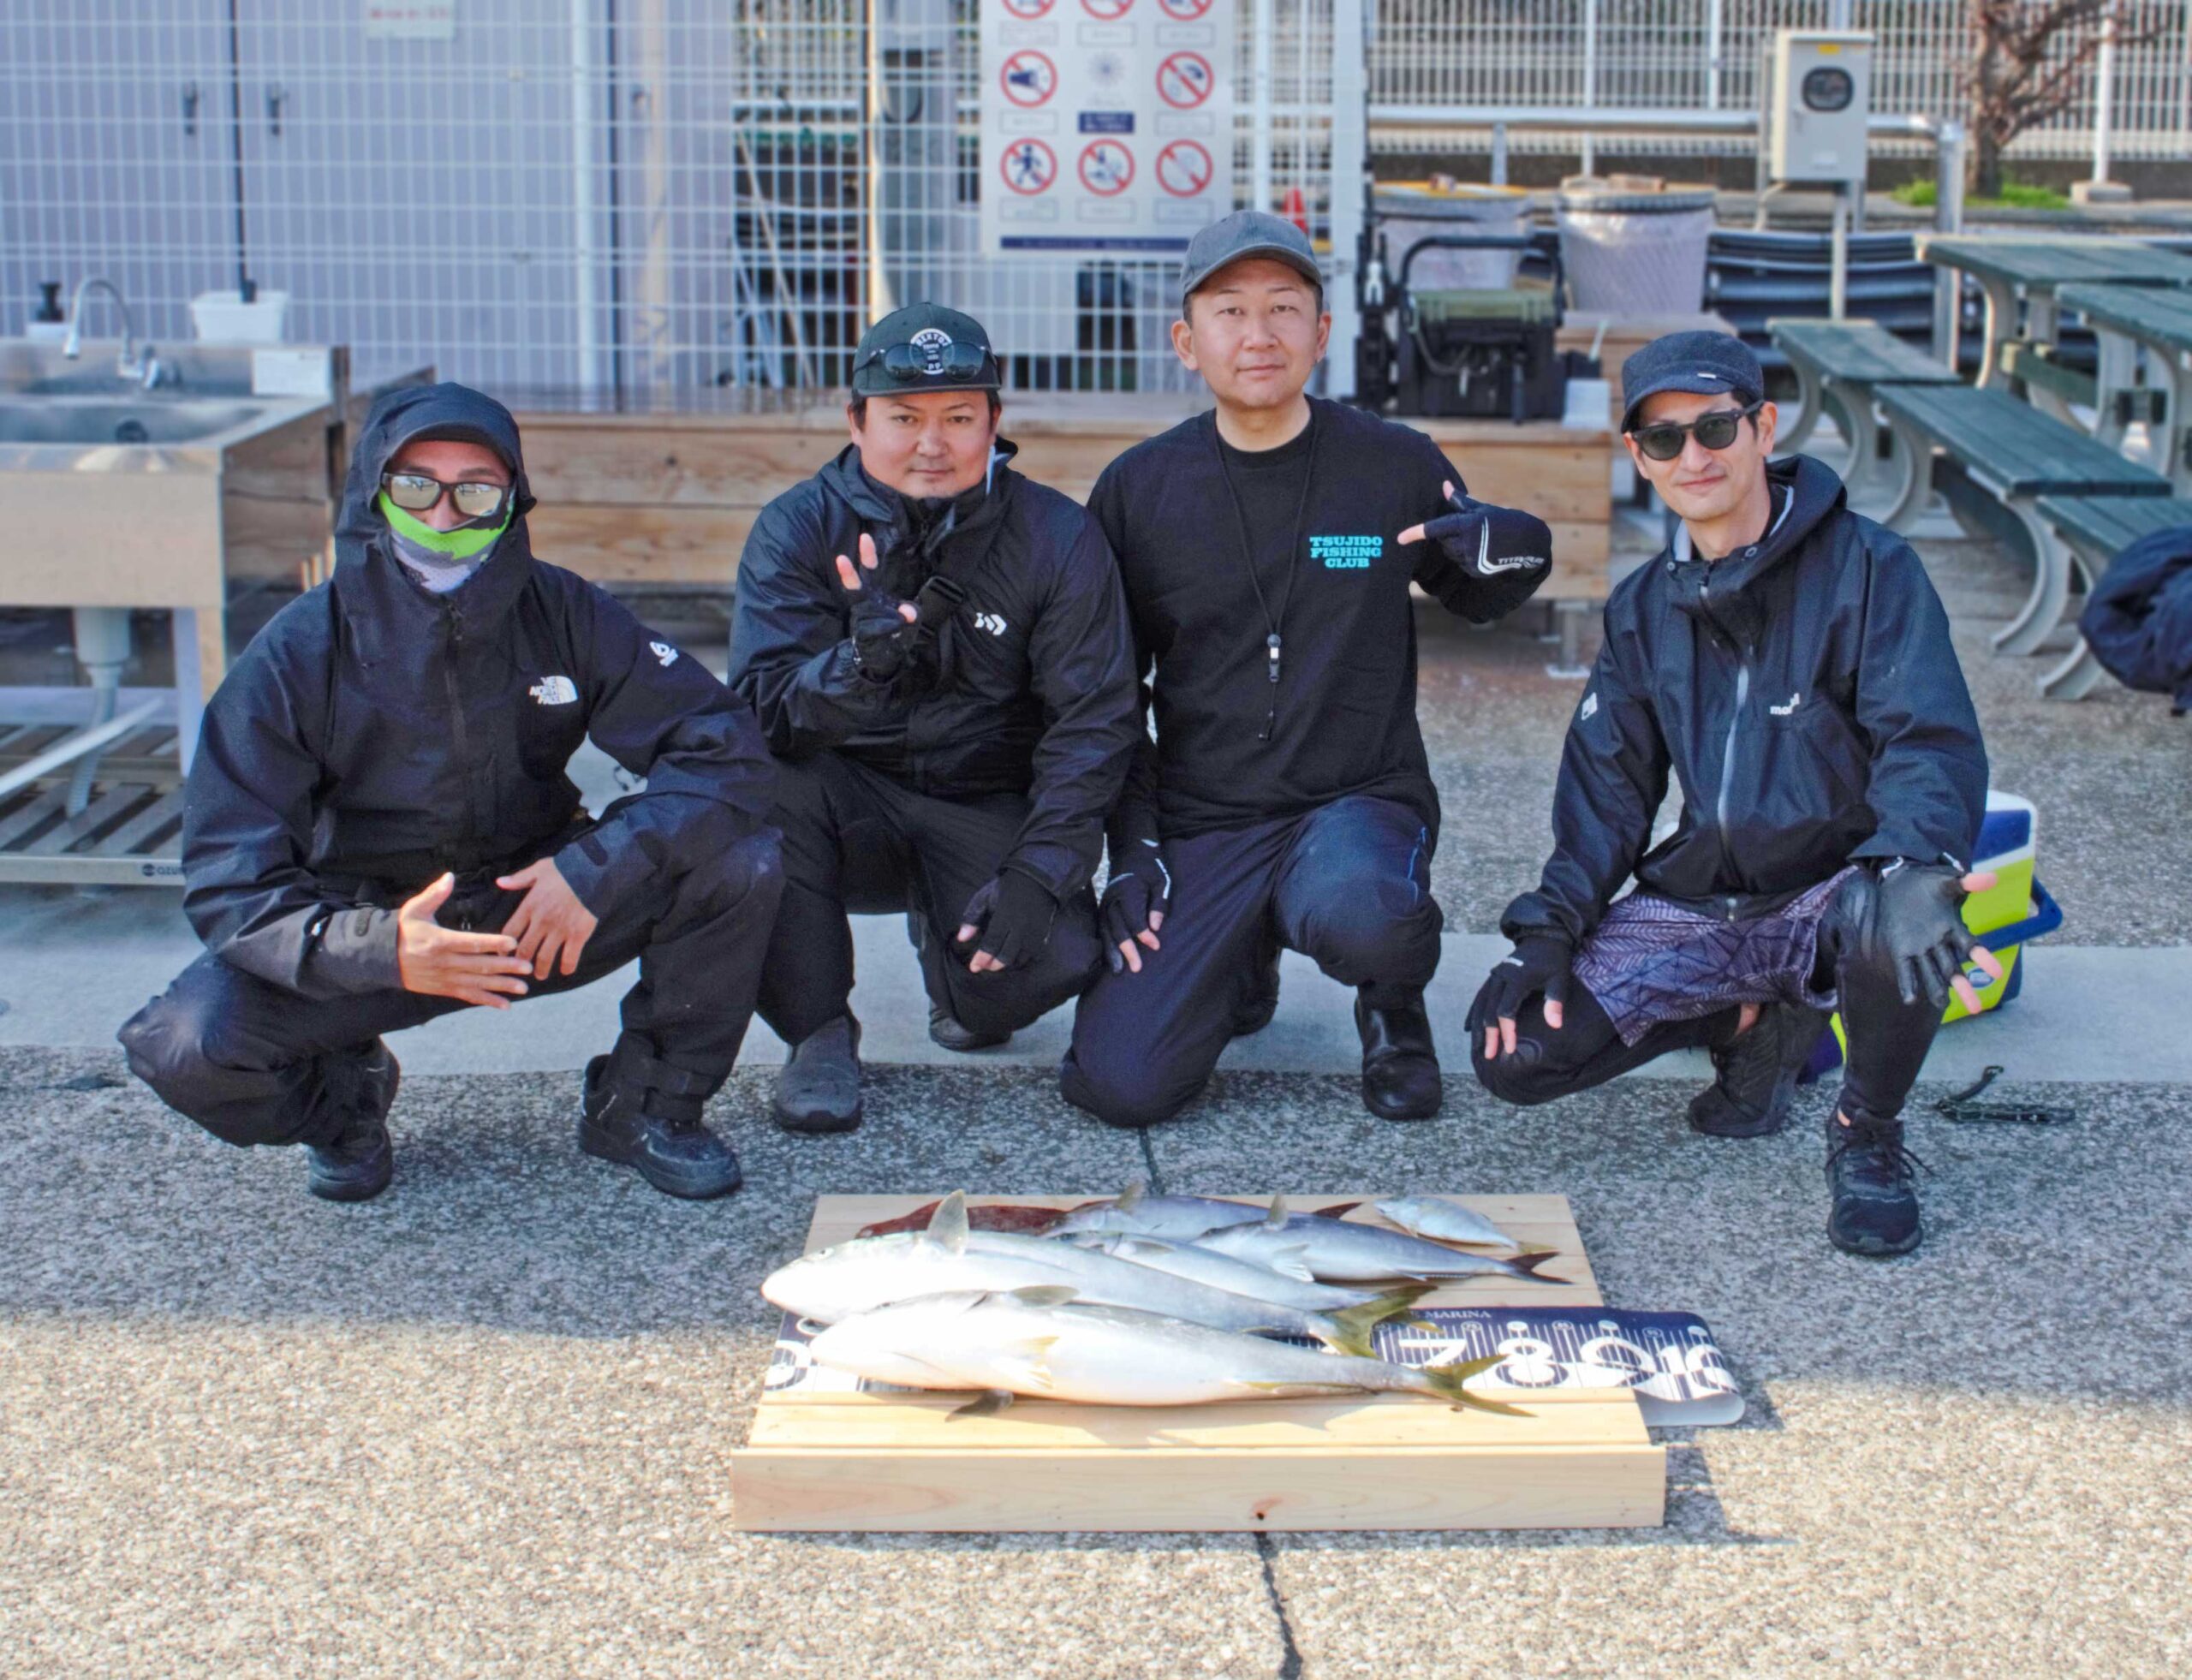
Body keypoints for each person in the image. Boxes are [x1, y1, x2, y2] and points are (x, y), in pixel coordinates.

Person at [119, 384, 782, 1203]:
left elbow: (723, 747)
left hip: (534, 903)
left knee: (740, 860)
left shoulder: (566, 610)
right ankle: (344, 1102)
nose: (442, 513)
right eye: (415, 486)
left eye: (474, 489)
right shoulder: (298, 651)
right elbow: (229, 882)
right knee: (183, 1045)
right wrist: (374, 949)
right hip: (372, 926)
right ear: (376, 493)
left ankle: (647, 1105)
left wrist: (598, 868)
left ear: (513, 498)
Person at [1468, 331, 1998, 1257]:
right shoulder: (1641, 607)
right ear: (1639, 457)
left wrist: (1918, 861)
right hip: (1708, 900)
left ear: (1763, 427)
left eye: (1715, 428)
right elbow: (1607, 790)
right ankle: (1753, 1023)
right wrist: (1547, 931)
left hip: (1838, 891)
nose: (1694, 456)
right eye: (1663, 439)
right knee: (1516, 1050)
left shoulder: (1871, 569)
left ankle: (1866, 1134)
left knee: (1898, 912)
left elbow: (1927, 737)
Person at [1060, 211, 1553, 1129]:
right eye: (1230, 312)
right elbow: (1110, 695)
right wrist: (1132, 850)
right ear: (1186, 342)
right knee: (1120, 1085)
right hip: (1206, 816)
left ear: (1321, 333)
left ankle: (1391, 1005)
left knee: (1367, 915)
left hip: (1353, 798)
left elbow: (1477, 590)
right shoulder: (1140, 489)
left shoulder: (1391, 463)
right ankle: (1240, 962)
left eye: (1284, 309)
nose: (1259, 335)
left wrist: (1520, 548)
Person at [729, 304, 1137, 1135]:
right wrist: (857, 665)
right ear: (856, 420)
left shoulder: (1056, 535)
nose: (931, 443)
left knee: (1043, 966)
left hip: (980, 796)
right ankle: (817, 1029)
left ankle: (960, 975)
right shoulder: (798, 528)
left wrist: (1042, 871)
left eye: (958, 417)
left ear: (994, 420)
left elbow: (1093, 720)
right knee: (748, 795)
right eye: (903, 417)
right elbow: (761, 713)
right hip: (844, 798)